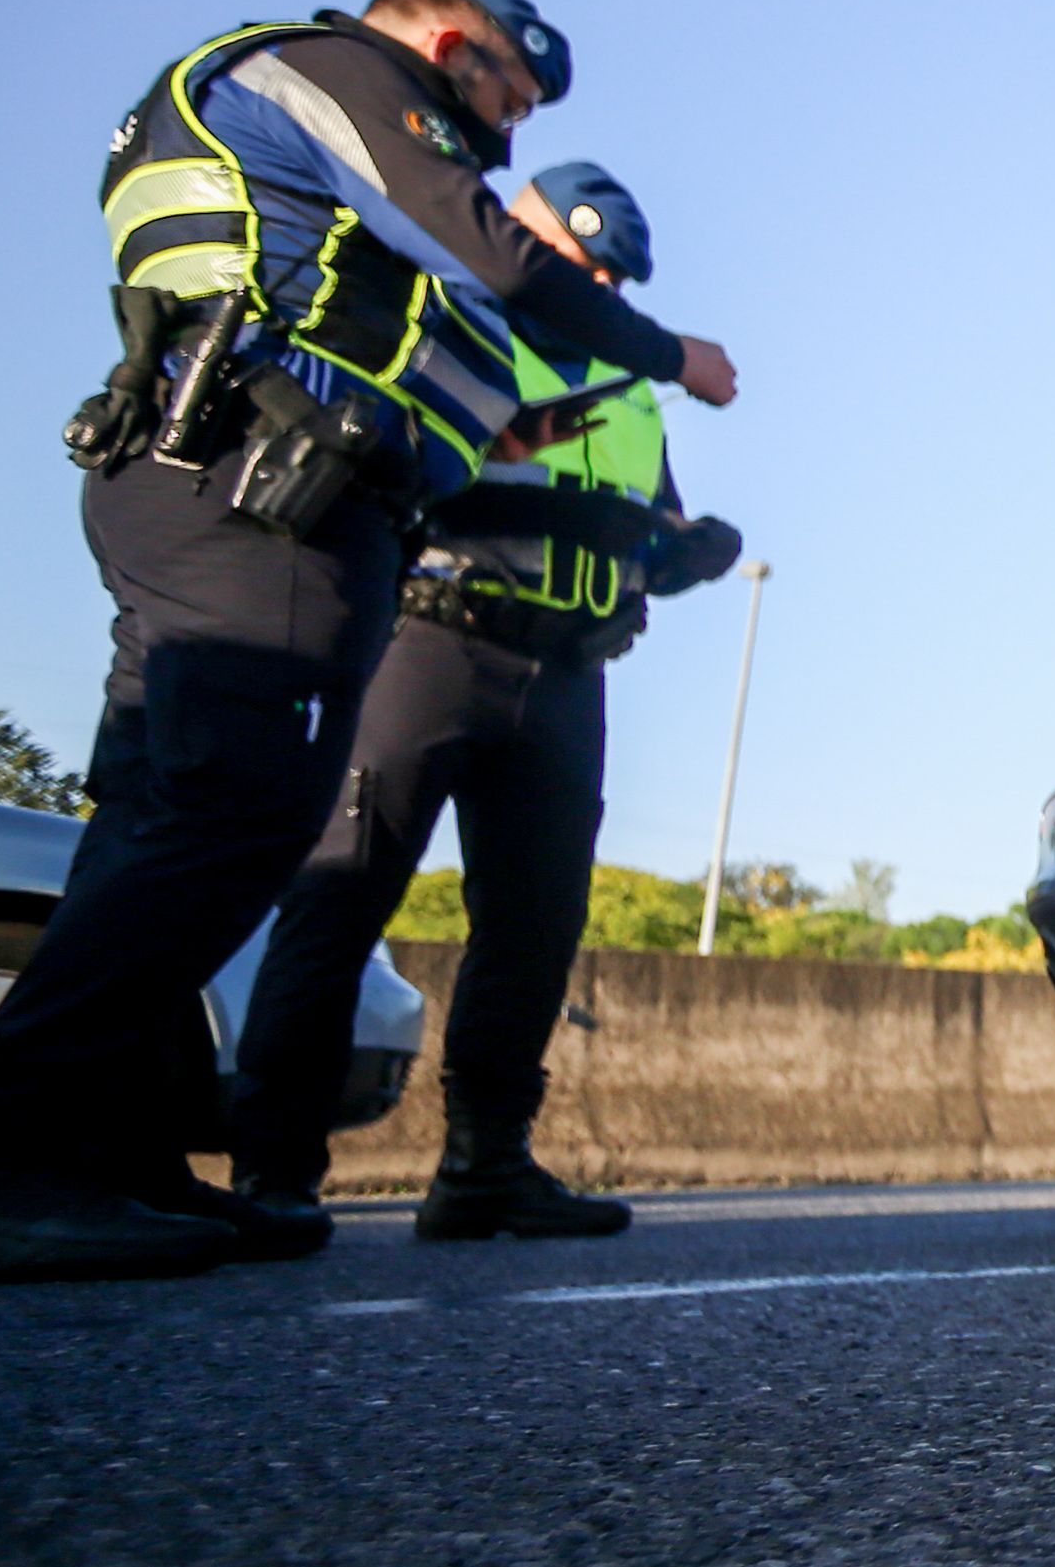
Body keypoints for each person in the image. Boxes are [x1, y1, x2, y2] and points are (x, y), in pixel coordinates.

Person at [0, 0, 739, 1285]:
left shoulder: (309, 165)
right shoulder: (341, 75)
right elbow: (491, 250)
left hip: (252, 489)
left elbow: (439, 404)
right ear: (451, 48)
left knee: (166, 825)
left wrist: (641, 539)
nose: (502, 134)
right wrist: (671, 352)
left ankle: (102, 1156)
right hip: (258, 502)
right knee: (235, 826)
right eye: (507, 98)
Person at [225, 163, 746, 1242]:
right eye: (578, 253)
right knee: (339, 902)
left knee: (535, 931)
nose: (596, 279)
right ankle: (271, 1173)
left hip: (566, 677)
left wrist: (680, 554)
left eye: (613, 270)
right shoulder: (441, 319)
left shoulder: (630, 384)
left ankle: (483, 1168)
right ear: (515, 227)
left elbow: (630, 525)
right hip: (426, 648)